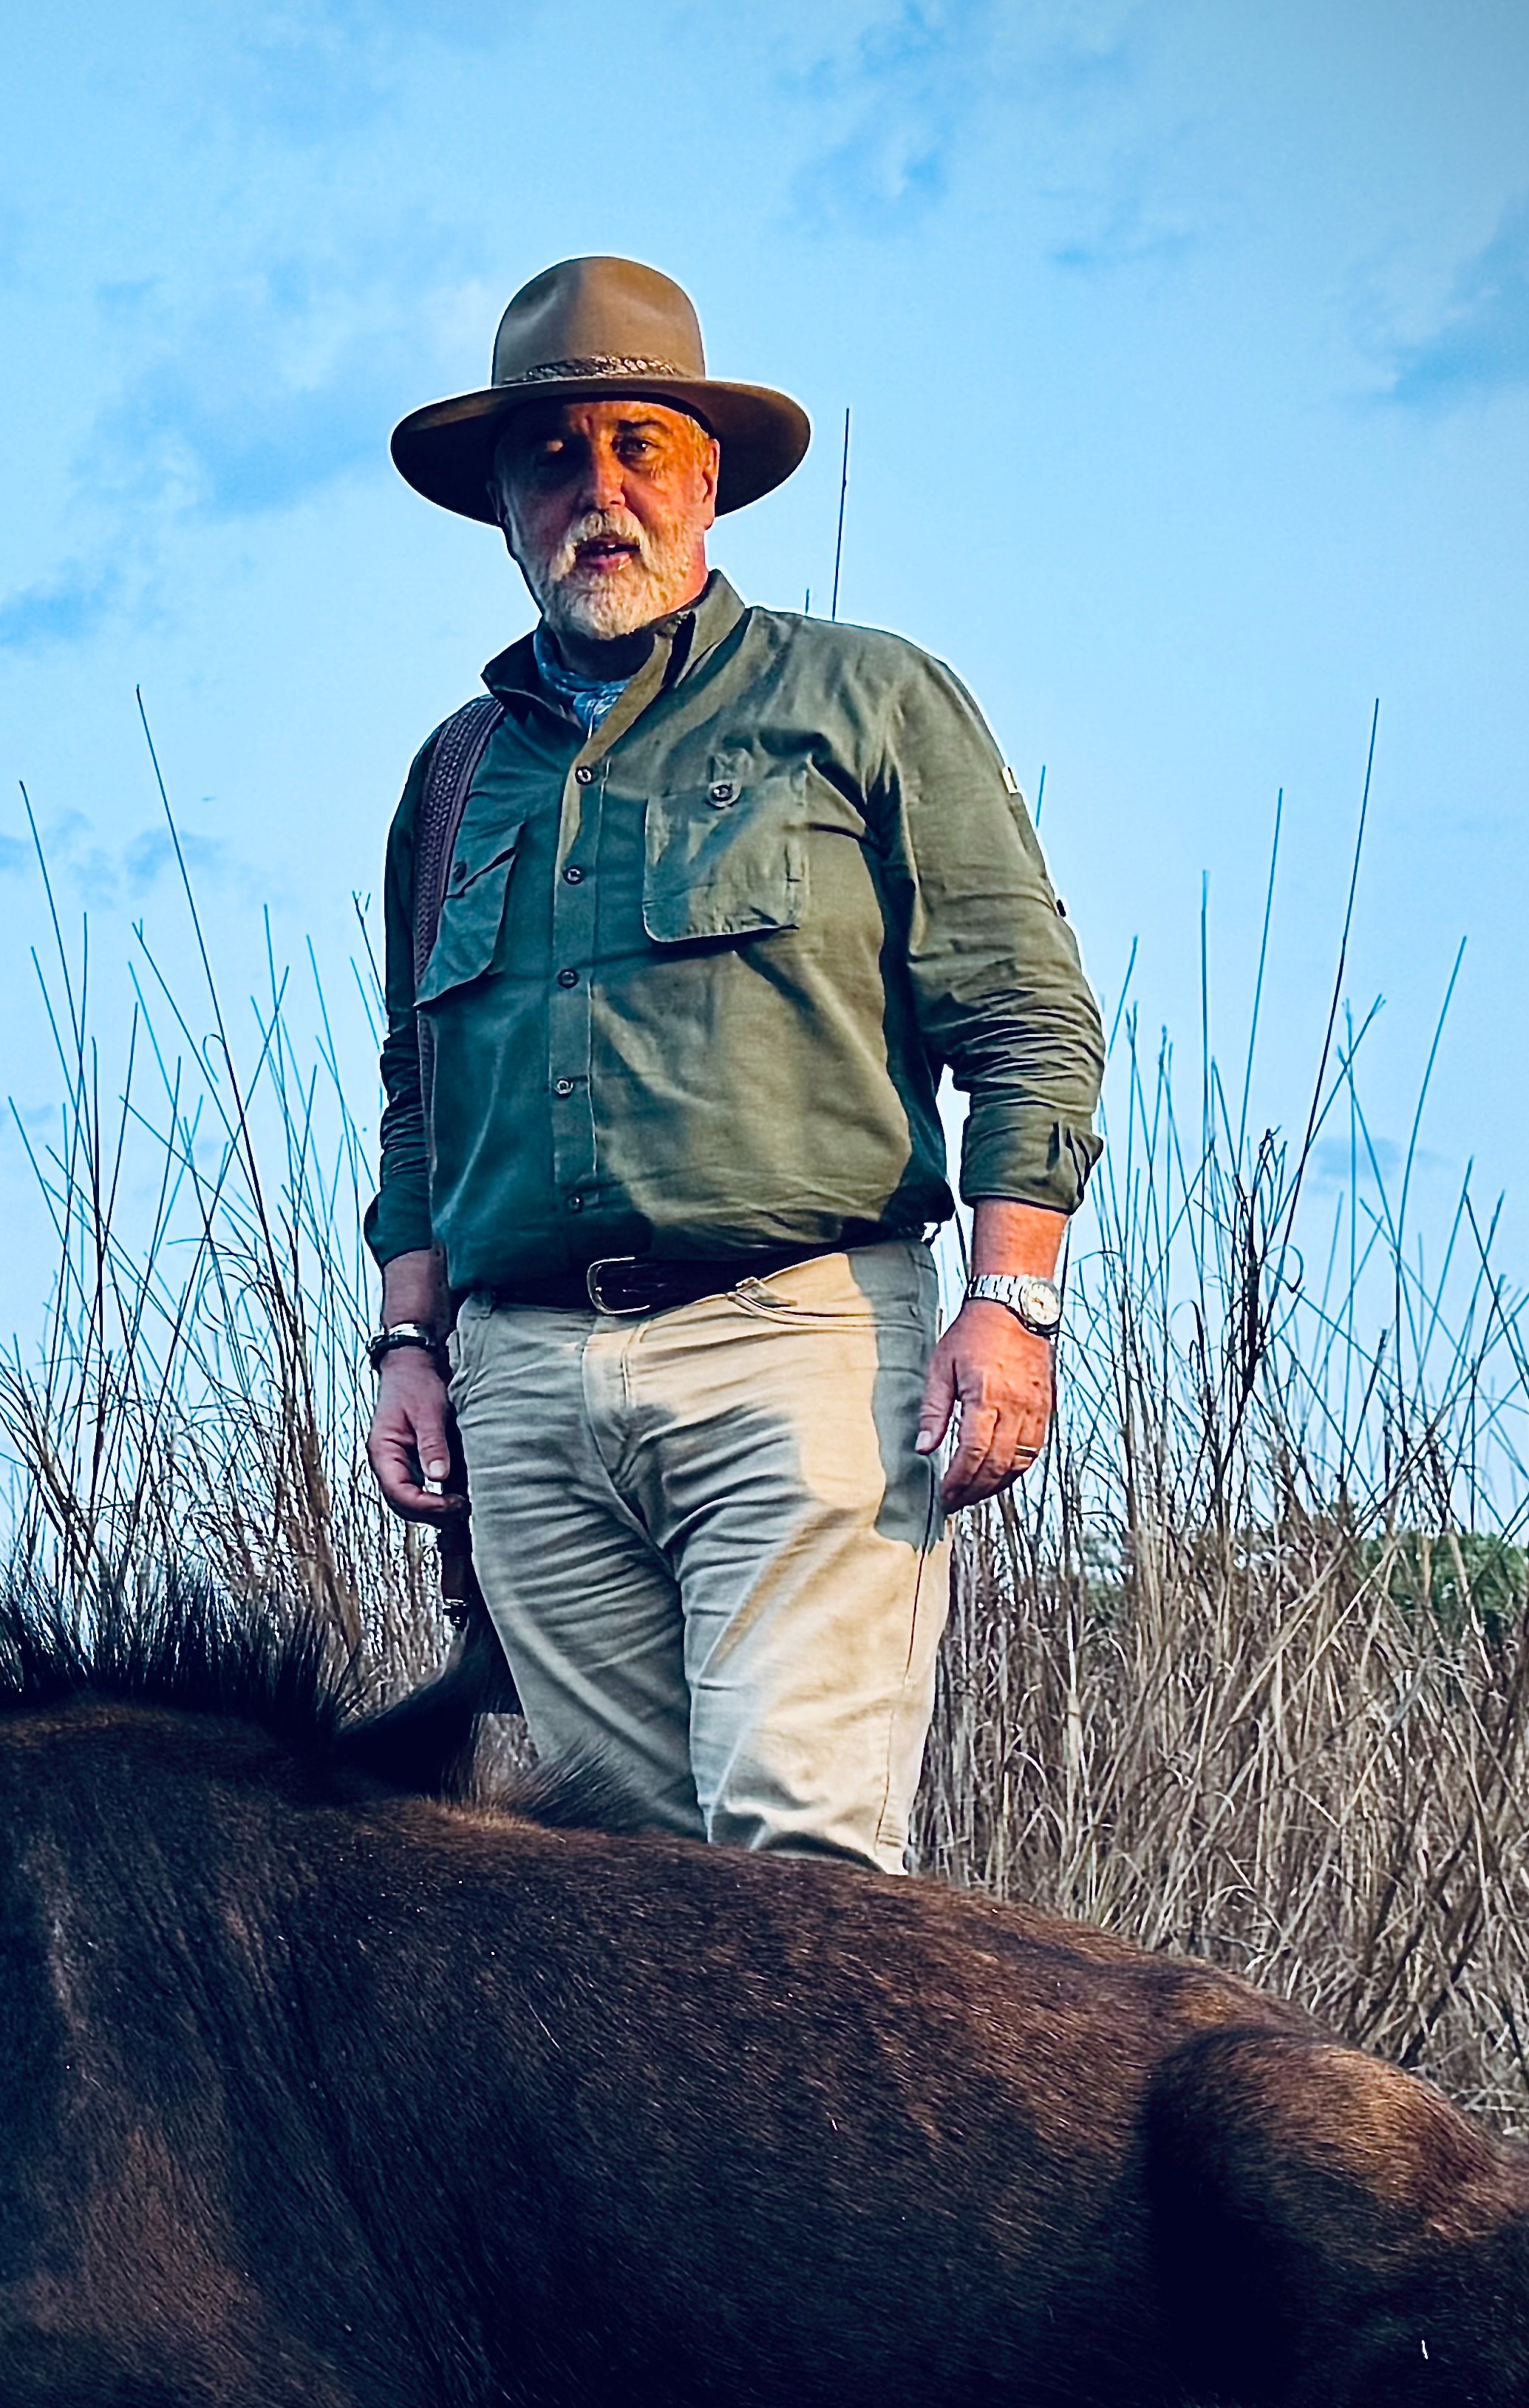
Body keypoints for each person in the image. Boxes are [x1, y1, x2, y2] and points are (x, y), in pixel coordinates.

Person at [360, 256, 1105, 1868]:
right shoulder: (453, 775)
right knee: (617, 1931)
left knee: (803, 1874)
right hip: (529, 1388)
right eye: (553, 458)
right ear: (502, 502)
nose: (598, 494)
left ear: (708, 477)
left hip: (805, 1346)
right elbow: (417, 1100)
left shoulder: (866, 700)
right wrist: (406, 1348)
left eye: (638, 447)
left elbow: (1029, 1018)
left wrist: (1011, 1304)